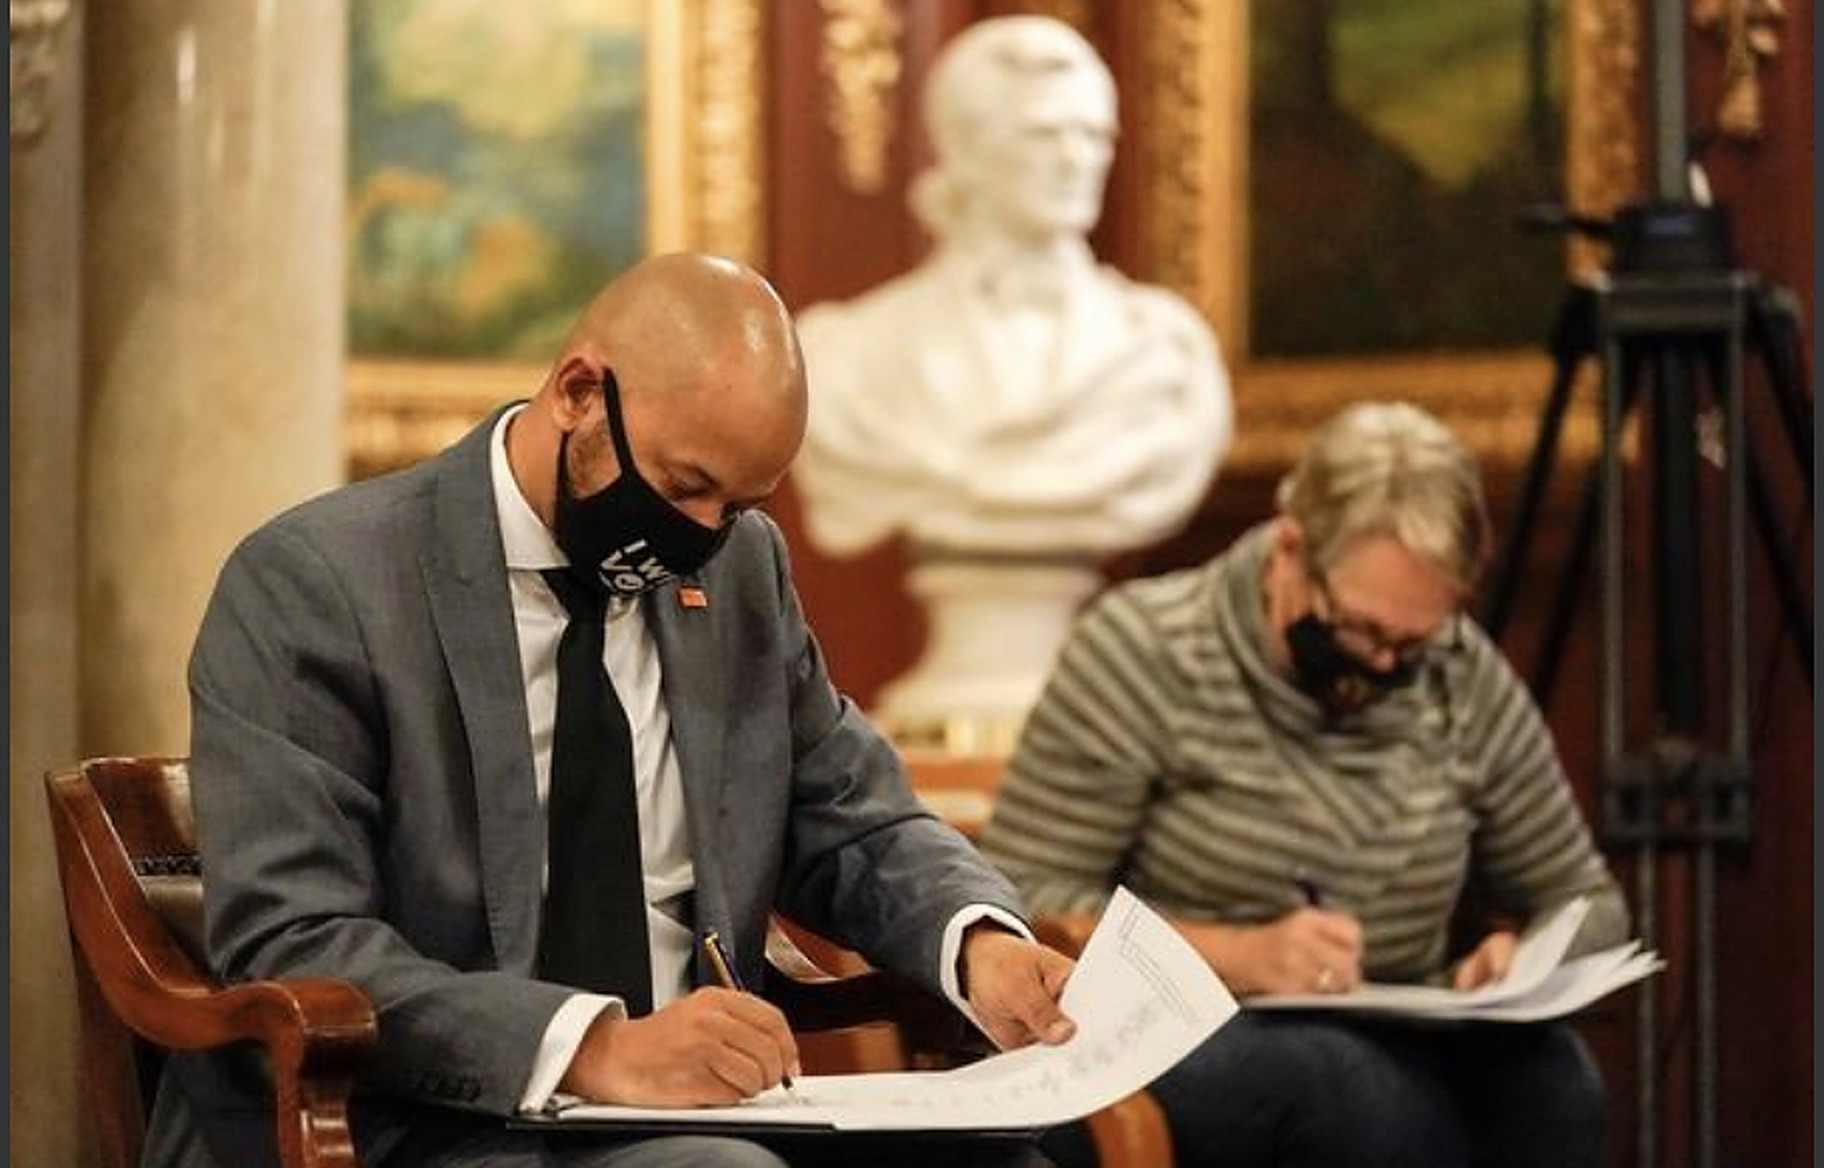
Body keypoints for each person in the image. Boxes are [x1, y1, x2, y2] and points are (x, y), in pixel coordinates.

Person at [156, 253, 1077, 1168]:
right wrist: (594, 1048)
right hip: (425, 1118)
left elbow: (851, 817)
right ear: (578, 394)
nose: (702, 537)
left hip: (711, 1115)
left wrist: (978, 943)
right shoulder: (321, 583)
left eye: (739, 505)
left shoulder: (741, 570)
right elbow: (295, 939)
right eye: (683, 488)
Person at [979, 401, 1631, 1168]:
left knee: (1556, 1082)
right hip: (1171, 1035)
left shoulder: (1460, 675)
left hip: (1398, 1030)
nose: (1381, 665)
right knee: (1345, 1089)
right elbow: (1026, 900)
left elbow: (1590, 901)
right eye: (1361, 629)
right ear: (1291, 549)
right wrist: (1239, 953)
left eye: (1410, 643)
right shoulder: (1144, 650)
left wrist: (1522, 958)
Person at [792, 15, 1233, 741]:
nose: (1076, 160)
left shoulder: (1167, 358)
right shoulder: (849, 357)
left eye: (1094, 135)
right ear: (965, 150)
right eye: (1042, 135)